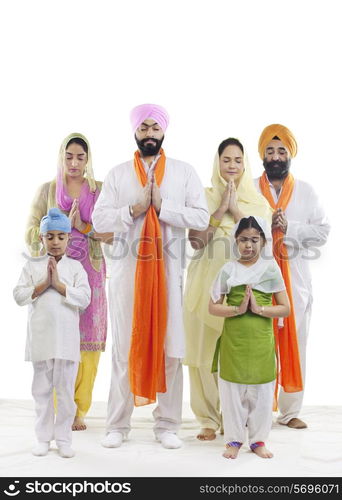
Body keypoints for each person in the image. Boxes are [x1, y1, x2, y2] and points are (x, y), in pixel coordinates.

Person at [92, 103, 209, 449]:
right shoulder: (117, 175)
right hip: (128, 278)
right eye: (143, 128)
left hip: (170, 275)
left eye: (154, 128)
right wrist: (134, 209)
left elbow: (201, 218)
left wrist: (162, 207)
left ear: (164, 132)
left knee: (171, 348)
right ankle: (117, 425)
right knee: (125, 349)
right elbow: (99, 222)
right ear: (134, 132)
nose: (149, 134)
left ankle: (168, 425)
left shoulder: (184, 173)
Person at [183, 138, 273, 441]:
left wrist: (236, 208)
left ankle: (236, 418)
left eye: (237, 160)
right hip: (204, 285)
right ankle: (207, 419)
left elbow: (262, 245)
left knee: (238, 353)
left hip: (242, 289)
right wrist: (220, 208)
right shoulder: (203, 197)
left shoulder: (259, 203)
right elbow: (196, 241)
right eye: (226, 160)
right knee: (203, 354)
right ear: (217, 163)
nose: (232, 167)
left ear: (245, 164)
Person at [25, 133, 112, 431]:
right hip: (55, 271)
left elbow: (113, 233)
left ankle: (79, 410)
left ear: (88, 160)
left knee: (88, 344)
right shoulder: (47, 190)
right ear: (61, 157)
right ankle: (56, 407)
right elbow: (29, 229)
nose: (74, 163)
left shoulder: (99, 191)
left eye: (80, 157)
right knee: (58, 339)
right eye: (69, 156)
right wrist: (56, 228)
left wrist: (82, 226)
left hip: (92, 272)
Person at [255, 124, 330, 429]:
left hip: (294, 283)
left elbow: (322, 232)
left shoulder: (306, 191)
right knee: (260, 346)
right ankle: (257, 411)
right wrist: (265, 224)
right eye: (270, 151)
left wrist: (289, 230)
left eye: (281, 150)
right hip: (258, 280)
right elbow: (239, 231)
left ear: (290, 154)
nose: (275, 157)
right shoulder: (250, 188)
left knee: (295, 343)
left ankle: (290, 412)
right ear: (262, 155)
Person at [209, 216, 290, 459]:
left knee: (263, 391)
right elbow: (213, 307)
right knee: (232, 391)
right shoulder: (228, 270)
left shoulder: (271, 268)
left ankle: (258, 440)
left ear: (264, 242)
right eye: (244, 239)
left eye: (255, 240)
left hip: (261, 340)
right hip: (234, 339)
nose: (249, 245)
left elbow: (285, 308)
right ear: (236, 241)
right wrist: (237, 309)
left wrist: (260, 310)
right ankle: (233, 440)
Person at [13, 208, 91, 458]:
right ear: (41, 239)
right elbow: (19, 295)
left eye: (60, 236)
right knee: (42, 392)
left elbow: (85, 298)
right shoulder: (32, 265)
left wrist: (58, 285)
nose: (55, 242)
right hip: (41, 340)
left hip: (66, 342)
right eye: (50, 237)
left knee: (66, 392)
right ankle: (43, 438)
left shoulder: (76, 267)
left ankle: (64, 439)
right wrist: (42, 285)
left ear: (69, 238)